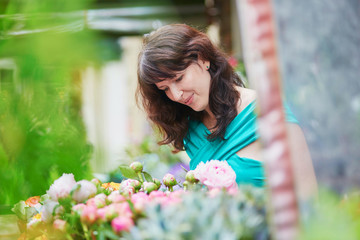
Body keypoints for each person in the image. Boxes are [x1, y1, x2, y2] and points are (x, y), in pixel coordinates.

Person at [137, 24, 317, 200]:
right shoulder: (192, 132)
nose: (176, 95)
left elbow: (309, 195)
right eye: (165, 88)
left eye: (179, 78)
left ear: (203, 59)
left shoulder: (269, 112)